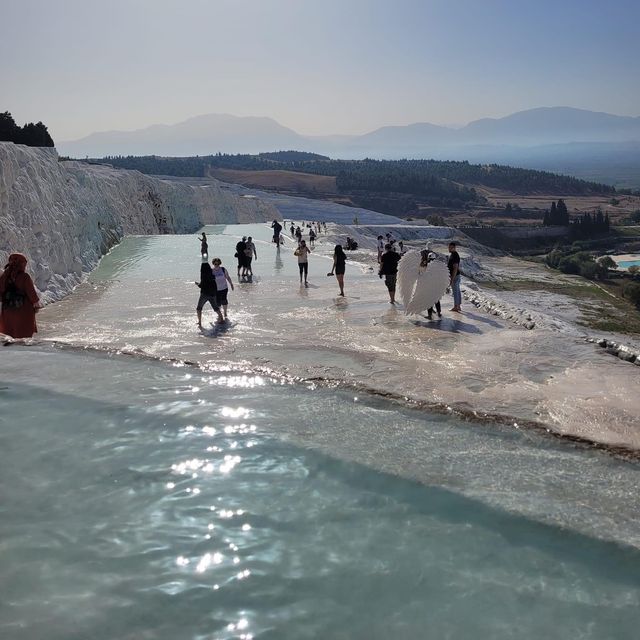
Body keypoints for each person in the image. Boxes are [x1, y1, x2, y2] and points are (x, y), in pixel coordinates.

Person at [0, 253, 41, 339]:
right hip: (23, 310)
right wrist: (36, 304)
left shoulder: (4, 276)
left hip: (8, 310)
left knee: (10, 333)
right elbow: (31, 293)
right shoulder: (24, 277)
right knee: (22, 335)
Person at [195, 262, 224, 328]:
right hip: (212, 294)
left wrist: (197, 284)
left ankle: (199, 322)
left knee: (199, 308)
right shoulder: (212, 276)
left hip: (204, 294)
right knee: (216, 308)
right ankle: (221, 319)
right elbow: (215, 286)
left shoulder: (203, 276)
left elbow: (201, 286)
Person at [422, 250, 442, 320]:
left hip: (429, 285)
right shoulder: (437, 265)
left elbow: (424, 274)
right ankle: (439, 312)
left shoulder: (427, 265)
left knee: (429, 300)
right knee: (436, 299)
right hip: (436, 285)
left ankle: (430, 315)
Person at [448, 241, 462, 312]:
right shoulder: (453, 254)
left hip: (455, 276)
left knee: (455, 292)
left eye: (450, 247)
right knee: (457, 291)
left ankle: (456, 307)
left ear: (454, 248)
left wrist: (452, 278)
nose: (449, 249)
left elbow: (455, 267)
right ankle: (458, 306)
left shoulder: (454, 255)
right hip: (457, 276)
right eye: (449, 247)